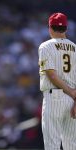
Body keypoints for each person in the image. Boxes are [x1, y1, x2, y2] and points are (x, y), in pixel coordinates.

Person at [38, 12, 76, 150]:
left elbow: (51, 75)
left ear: (50, 28)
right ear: (66, 28)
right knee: (71, 145)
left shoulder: (45, 46)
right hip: (73, 99)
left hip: (55, 97)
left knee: (52, 145)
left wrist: (71, 92)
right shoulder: (75, 48)